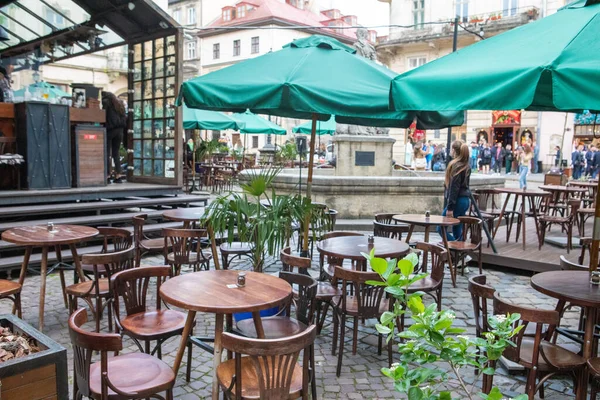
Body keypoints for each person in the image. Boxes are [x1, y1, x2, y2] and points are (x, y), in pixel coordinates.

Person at [439, 141, 471, 241]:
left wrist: (450, 208)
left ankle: (456, 248)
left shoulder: (456, 166)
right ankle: (459, 253)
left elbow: (454, 188)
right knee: (457, 228)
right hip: (465, 201)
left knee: (440, 228)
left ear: (454, 150)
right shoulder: (466, 165)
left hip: (457, 201)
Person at [102, 91, 127, 183]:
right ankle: (118, 175)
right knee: (116, 153)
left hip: (110, 130)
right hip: (120, 131)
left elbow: (103, 115)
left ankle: (108, 175)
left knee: (107, 153)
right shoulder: (119, 103)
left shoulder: (106, 102)